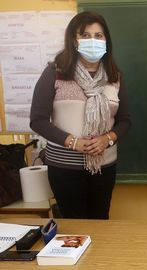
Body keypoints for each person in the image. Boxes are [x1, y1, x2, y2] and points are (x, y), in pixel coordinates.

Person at [30, 11, 132, 219]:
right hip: (64, 167)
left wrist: (107, 139)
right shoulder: (55, 72)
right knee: (74, 227)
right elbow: (37, 120)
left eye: (98, 35)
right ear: (73, 41)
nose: (92, 41)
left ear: (106, 41)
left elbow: (124, 121)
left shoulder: (114, 77)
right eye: (85, 35)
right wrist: (72, 142)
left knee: (101, 222)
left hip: (104, 165)